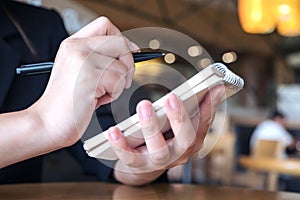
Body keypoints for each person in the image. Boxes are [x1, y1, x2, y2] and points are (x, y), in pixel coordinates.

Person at [0, 1, 225, 186]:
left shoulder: (38, 28)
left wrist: (141, 162)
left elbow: (98, 135)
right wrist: (41, 123)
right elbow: (55, 122)